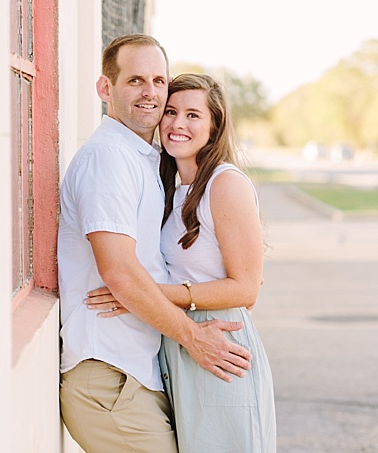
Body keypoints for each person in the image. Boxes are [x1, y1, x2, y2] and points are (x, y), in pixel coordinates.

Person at [58, 34, 253, 453]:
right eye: (135, 81)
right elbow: (120, 272)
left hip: (136, 372)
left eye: (159, 81)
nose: (150, 93)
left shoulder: (144, 162)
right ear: (105, 89)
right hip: (109, 374)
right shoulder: (109, 158)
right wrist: (193, 337)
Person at [87, 73, 277, 452]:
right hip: (177, 340)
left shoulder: (226, 184)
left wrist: (144, 294)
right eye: (171, 111)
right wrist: (150, 300)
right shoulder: (169, 187)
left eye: (193, 115)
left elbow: (245, 288)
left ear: (214, 126)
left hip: (218, 340)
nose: (177, 124)